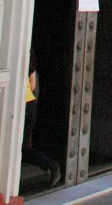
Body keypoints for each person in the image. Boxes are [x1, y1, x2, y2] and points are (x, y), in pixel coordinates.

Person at [22, 49, 61, 188]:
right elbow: (33, 86)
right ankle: (50, 165)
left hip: (19, 105)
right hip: (30, 104)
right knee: (24, 148)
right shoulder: (29, 55)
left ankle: (51, 165)